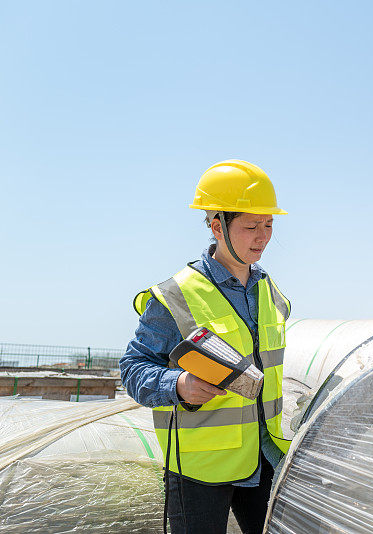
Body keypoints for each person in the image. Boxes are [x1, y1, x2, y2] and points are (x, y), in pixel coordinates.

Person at [120, 159, 291, 534]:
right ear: (216, 225)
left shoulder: (270, 292)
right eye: (250, 226)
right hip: (199, 470)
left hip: (266, 457)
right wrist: (178, 386)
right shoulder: (174, 296)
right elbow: (133, 369)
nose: (263, 237)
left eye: (269, 224)